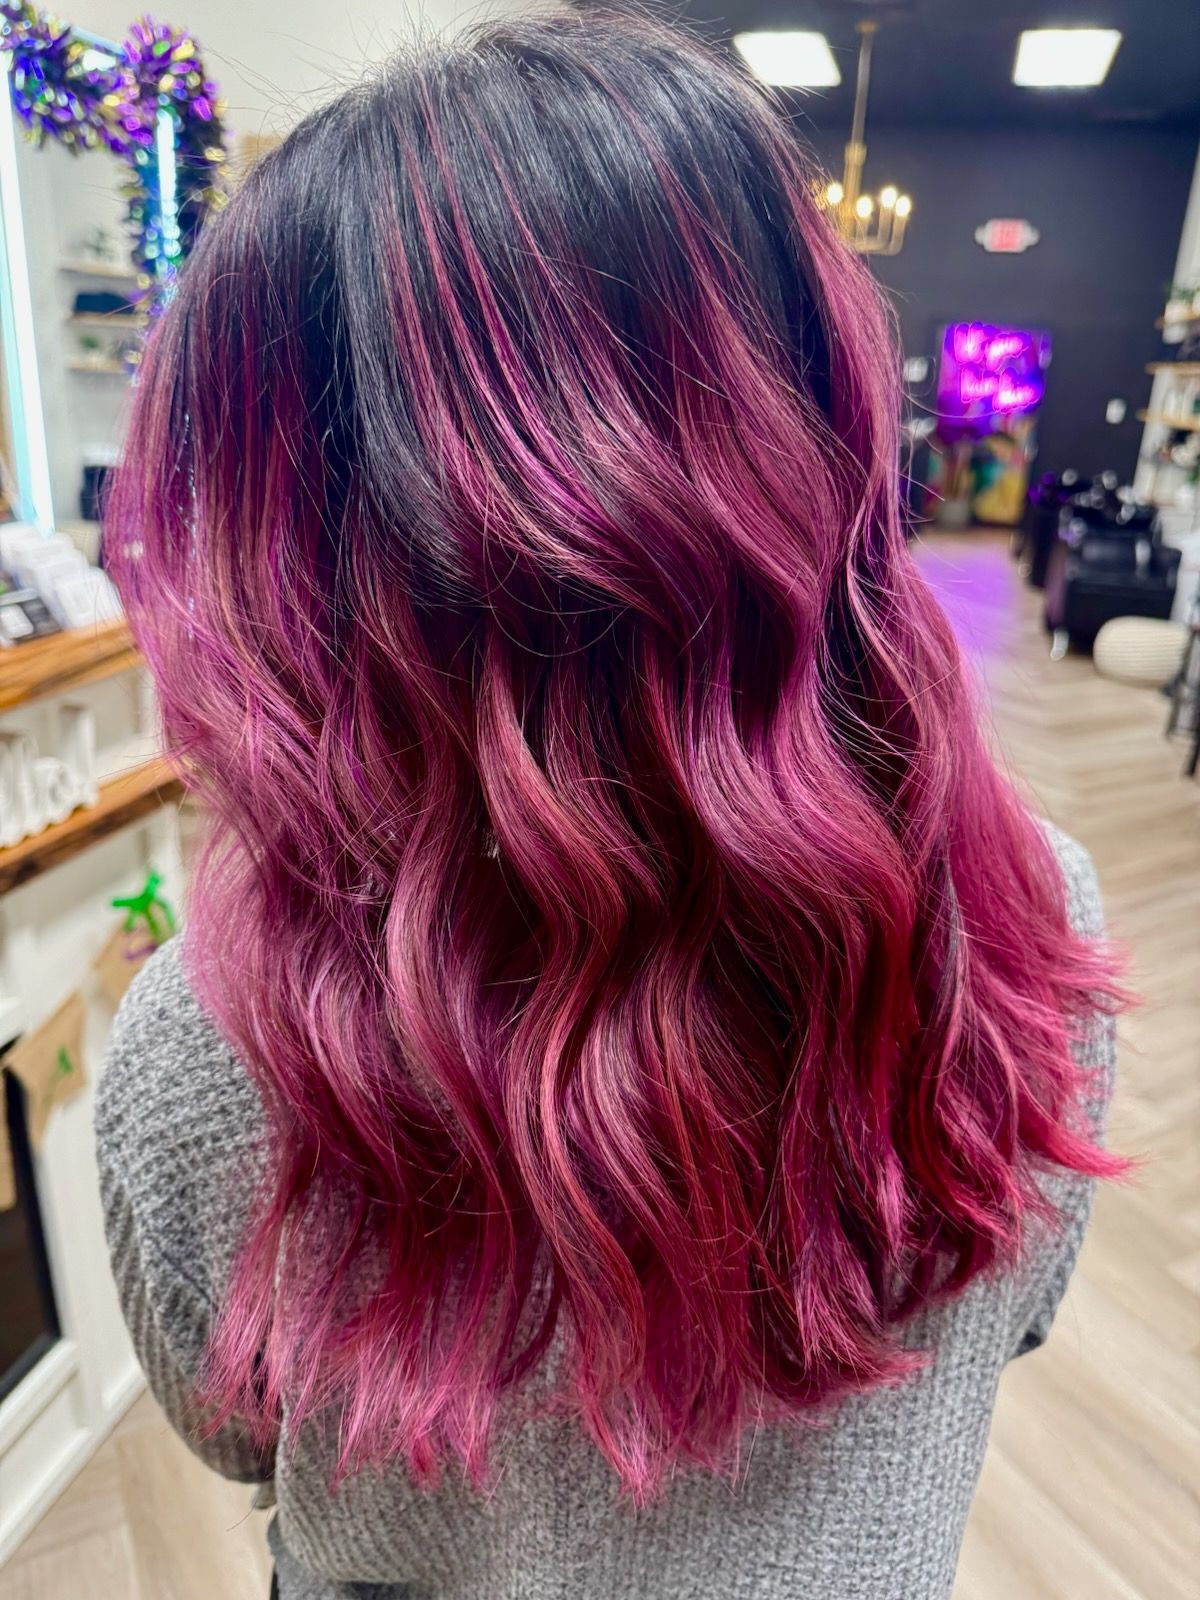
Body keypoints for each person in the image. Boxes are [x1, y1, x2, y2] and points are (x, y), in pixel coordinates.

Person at [96, 12, 1121, 1598]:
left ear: (283, 546)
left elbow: (234, 1435)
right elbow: (1017, 1304)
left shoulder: (207, 1043)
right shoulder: (1027, 927)